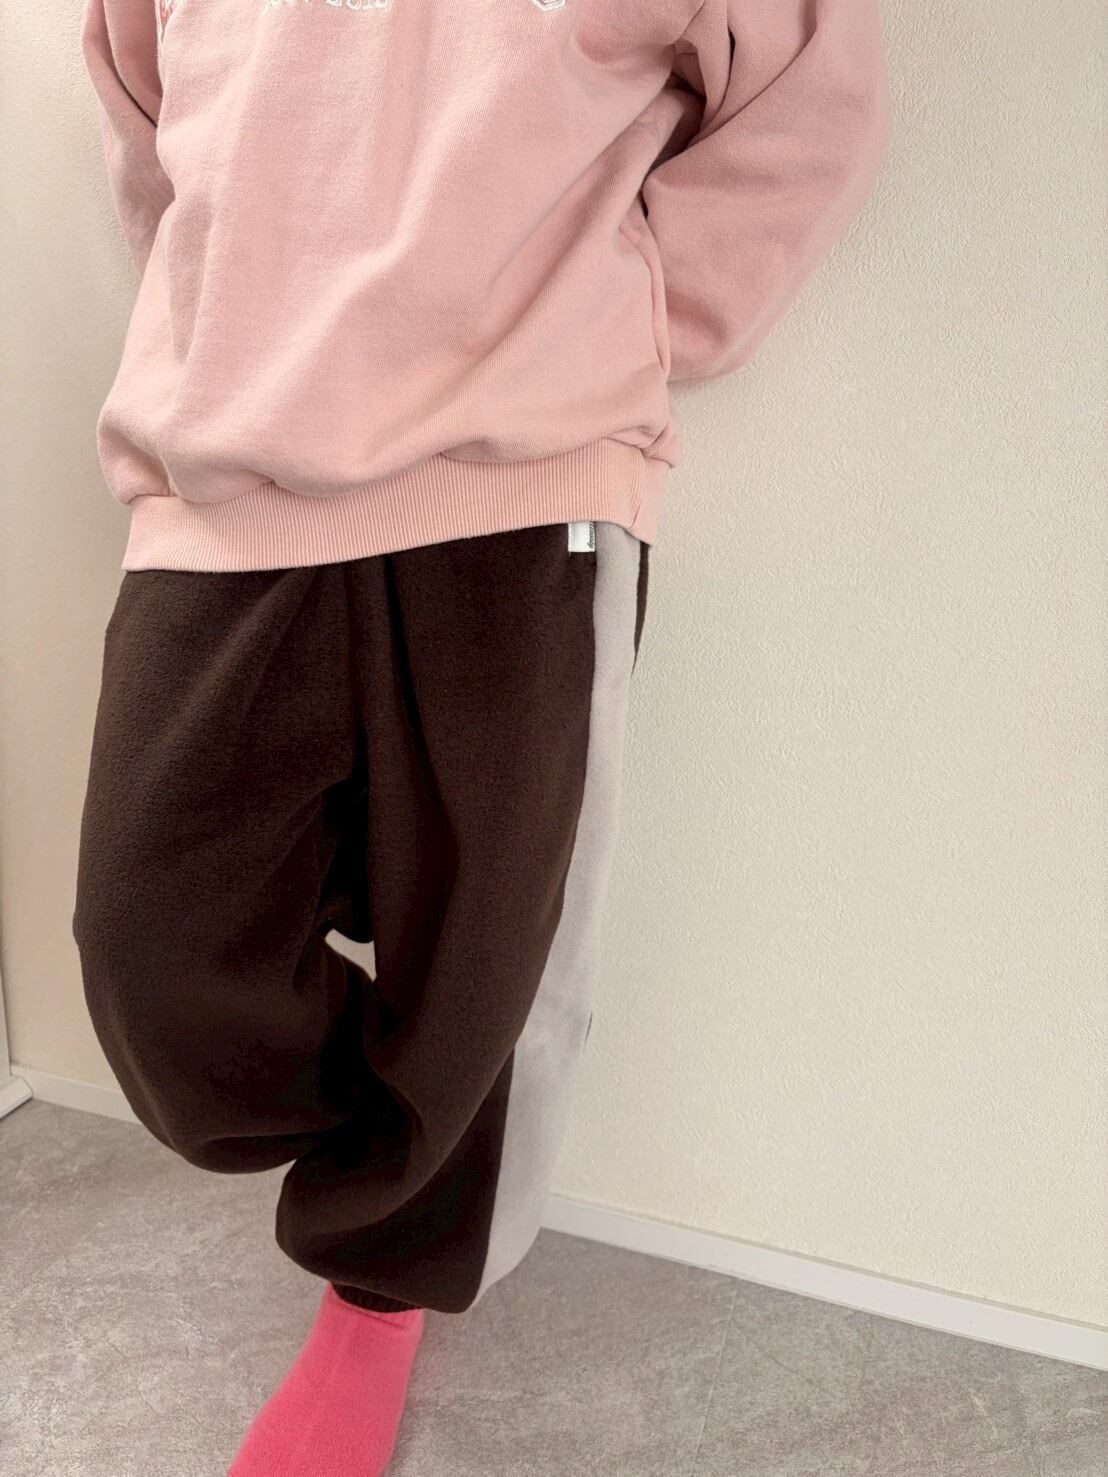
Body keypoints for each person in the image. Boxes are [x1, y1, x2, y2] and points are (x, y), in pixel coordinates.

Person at [73, 1, 889, 1472]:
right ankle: (408, 1130)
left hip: (527, 482)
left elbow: (806, 87)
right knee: (156, 949)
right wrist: (229, 312)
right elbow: (145, 104)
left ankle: (382, 1285)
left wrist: (641, 320)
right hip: (226, 474)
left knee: (487, 959)